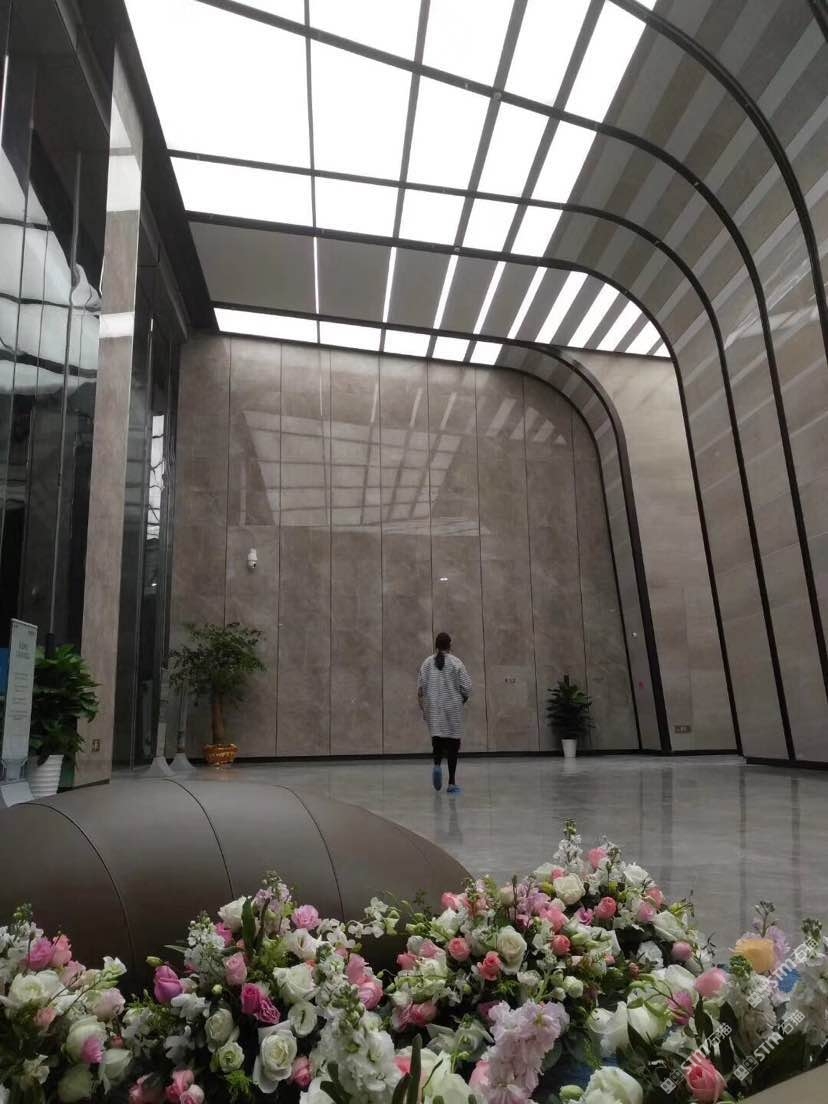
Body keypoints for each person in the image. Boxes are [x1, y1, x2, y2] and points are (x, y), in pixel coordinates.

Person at [417, 632, 472, 794]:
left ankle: (436, 765)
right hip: (452, 710)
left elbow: (420, 690)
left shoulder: (427, 663)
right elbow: (467, 688)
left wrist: (424, 709)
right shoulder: (456, 663)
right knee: (453, 746)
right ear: (450, 645)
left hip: (435, 711)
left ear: (436, 645)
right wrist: (462, 699)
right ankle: (452, 783)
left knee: (437, 742)